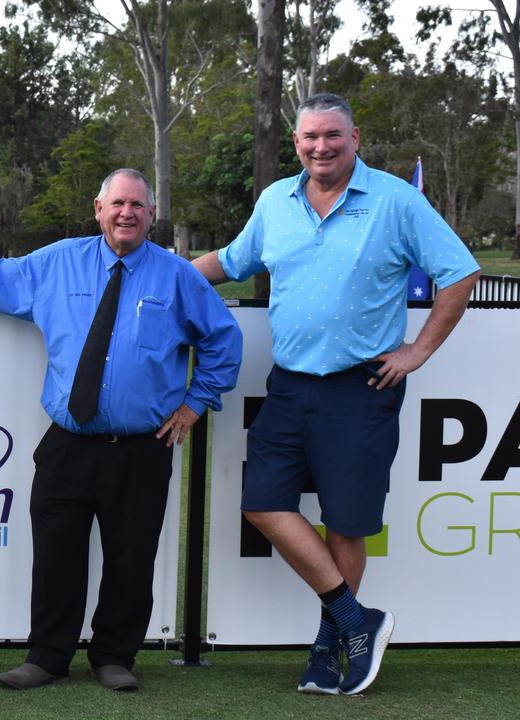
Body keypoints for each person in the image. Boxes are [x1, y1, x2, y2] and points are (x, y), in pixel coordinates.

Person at [0, 169, 241, 692]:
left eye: (138, 205)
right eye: (117, 204)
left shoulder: (178, 277)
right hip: (67, 443)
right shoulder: (58, 262)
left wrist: (196, 403)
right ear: (98, 208)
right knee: (56, 556)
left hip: (142, 447)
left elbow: (224, 340)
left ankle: (114, 657)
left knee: (131, 560)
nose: (127, 213)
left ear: (152, 215)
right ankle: (47, 656)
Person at [192, 93, 480, 696]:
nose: (320, 147)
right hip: (290, 384)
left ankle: (328, 651)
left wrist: (418, 350)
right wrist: (162, 273)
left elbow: (460, 272)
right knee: (262, 503)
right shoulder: (276, 200)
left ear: (355, 139)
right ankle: (359, 622)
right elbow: (232, 260)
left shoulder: (396, 201)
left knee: (345, 525)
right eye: (309, 138)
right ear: (296, 142)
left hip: (362, 389)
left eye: (332, 136)